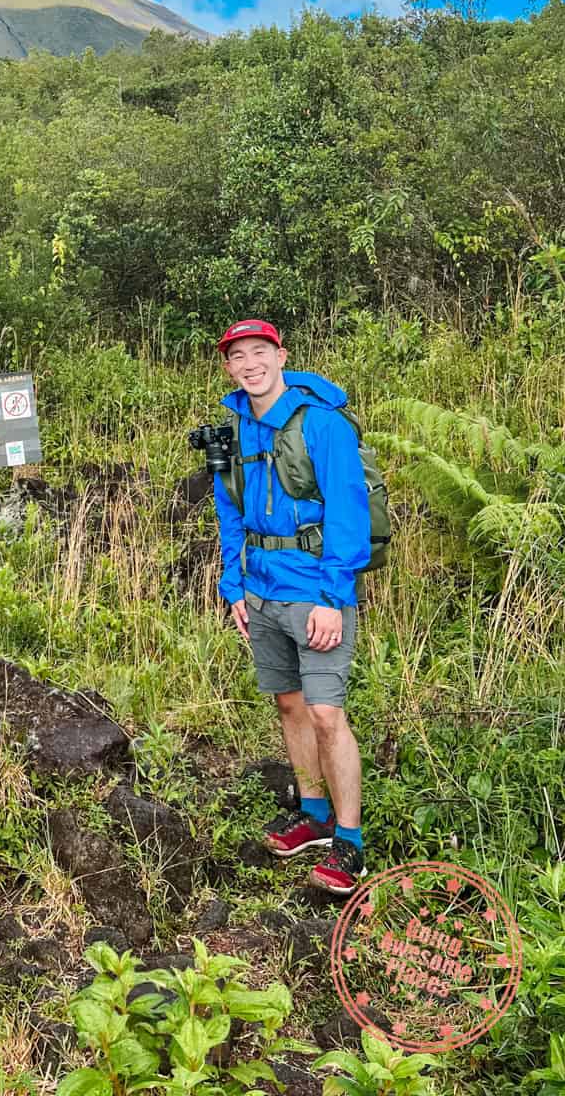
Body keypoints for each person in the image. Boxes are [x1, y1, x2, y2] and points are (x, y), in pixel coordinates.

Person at [211, 319, 370, 896]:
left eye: (260, 352)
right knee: (290, 705)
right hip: (261, 590)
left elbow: (348, 510)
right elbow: (231, 514)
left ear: (281, 356)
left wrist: (333, 598)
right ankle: (314, 815)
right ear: (228, 367)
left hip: (316, 591)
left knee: (327, 714)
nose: (250, 364)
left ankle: (349, 842)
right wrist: (234, 587)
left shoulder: (321, 424)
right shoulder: (234, 428)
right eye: (238, 356)